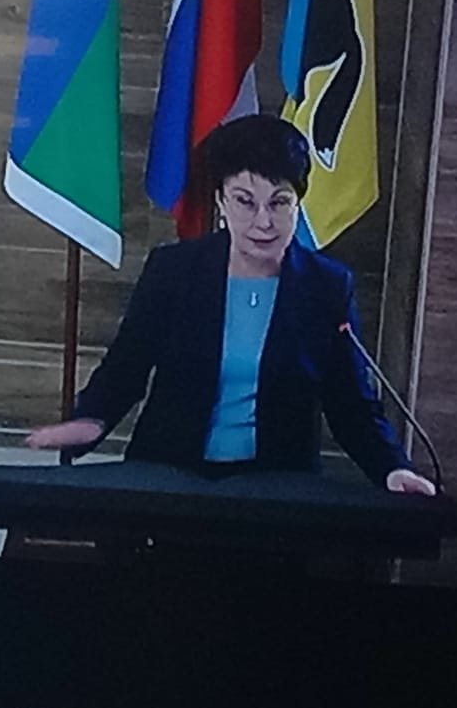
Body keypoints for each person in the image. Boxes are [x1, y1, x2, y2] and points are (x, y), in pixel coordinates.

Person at [26, 114, 435, 495]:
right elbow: (126, 366)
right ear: (221, 201)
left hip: (276, 489)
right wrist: (91, 421)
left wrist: (392, 469)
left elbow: (352, 406)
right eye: (245, 201)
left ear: (298, 203)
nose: (264, 221)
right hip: (168, 478)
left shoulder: (325, 287)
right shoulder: (175, 270)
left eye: (279, 202)